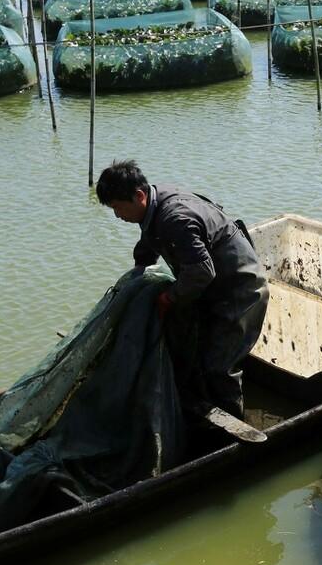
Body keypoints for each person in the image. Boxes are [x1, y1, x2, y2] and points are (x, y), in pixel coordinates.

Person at [95, 159, 268, 420]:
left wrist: (169, 296)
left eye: (118, 208)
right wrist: (138, 270)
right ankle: (201, 409)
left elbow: (201, 271)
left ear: (139, 196)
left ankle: (232, 430)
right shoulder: (155, 204)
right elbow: (150, 241)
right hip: (213, 288)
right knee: (194, 352)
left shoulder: (175, 218)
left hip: (240, 291)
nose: (118, 216)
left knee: (218, 367)